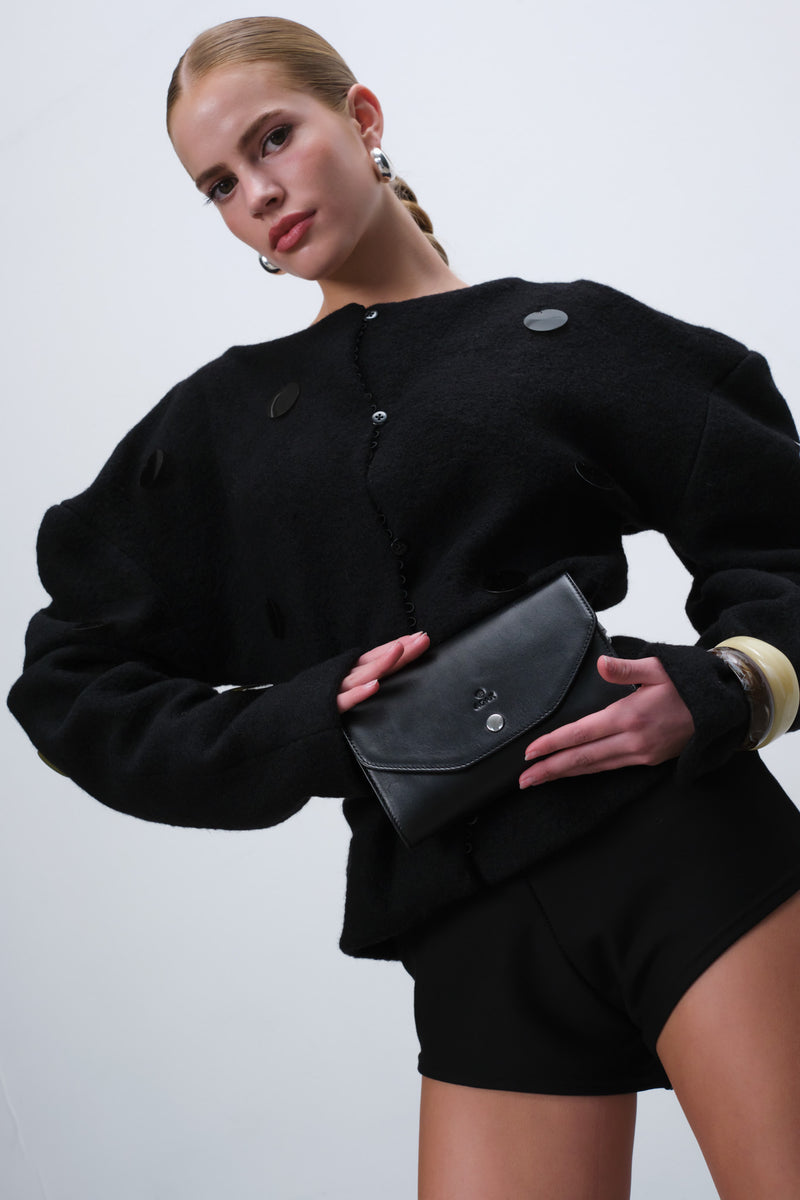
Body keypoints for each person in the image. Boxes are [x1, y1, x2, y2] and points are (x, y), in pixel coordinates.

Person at [8, 15, 800, 1199]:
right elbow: (69, 677)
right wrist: (296, 724)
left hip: (675, 850)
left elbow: (775, 527)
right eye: (218, 184)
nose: (257, 193)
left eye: (272, 139)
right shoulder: (216, 428)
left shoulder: (563, 334)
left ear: (362, 117)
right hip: (461, 924)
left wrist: (731, 683)